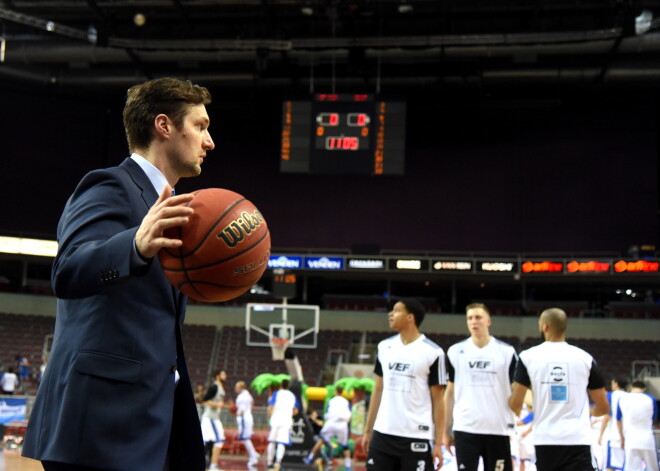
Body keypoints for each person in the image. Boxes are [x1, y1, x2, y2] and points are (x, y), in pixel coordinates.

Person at [22, 77, 215, 471]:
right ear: (164, 126)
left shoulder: (171, 207)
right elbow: (69, 271)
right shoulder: (109, 185)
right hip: (99, 426)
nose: (209, 141)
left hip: (149, 421)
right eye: (200, 126)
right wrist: (135, 245)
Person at [509, 308, 609, 471]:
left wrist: (536, 403)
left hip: (545, 441)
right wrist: (586, 412)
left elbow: (515, 404)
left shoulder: (528, 357)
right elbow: (603, 407)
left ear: (545, 327)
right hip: (577, 441)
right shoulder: (584, 358)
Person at [362, 298, 446, 471]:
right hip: (383, 434)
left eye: (396, 310)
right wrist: (368, 430)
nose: (391, 314)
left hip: (416, 436)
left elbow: (439, 400)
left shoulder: (433, 352)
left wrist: (438, 443)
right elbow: (378, 390)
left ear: (410, 317)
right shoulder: (384, 347)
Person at [443, 303, 518, 471]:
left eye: (478, 317)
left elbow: (518, 390)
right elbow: (449, 393)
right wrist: (444, 430)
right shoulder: (456, 351)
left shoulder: (506, 352)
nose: (473, 321)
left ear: (488, 321)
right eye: (470, 318)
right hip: (465, 428)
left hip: (498, 429)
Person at [304, 385, 353, 470]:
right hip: (342, 424)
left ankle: (310, 458)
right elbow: (350, 415)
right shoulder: (346, 402)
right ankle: (348, 466)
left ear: (335, 392)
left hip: (331, 423)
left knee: (321, 440)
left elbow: (326, 415)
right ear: (342, 392)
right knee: (345, 446)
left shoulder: (331, 401)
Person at [616, 381, 659, 471]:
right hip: (647, 439)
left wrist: (622, 439)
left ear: (631, 387)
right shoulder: (651, 398)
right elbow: (654, 418)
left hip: (630, 439)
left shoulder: (623, 399)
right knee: (653, 468)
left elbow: (618, 421)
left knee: (631, 469)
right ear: (644, 389)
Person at [266, 379, 300, 470]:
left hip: (275, 419)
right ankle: (278, 462)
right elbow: (296, 410)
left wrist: (269, 414)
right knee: (281, 443)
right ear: (288, 386)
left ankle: (269, 463)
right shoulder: (292, 396)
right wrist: (289, 413)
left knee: (272, 441)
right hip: (286, 421)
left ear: (281, 385)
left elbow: (271, 406)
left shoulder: (276, 393)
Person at [598, 377, 629, 471]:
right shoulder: (630, 396)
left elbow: (607, 417)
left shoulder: (610, 396)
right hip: (628, 436)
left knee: (610, 467)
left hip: (614, 436)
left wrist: (600, 435)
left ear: (616, 383)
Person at [201, 370, 227, 471]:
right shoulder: (214, 387)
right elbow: (204, 400)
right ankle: (212, 466)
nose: (225, 376)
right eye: (223, 374)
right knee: (217, 441)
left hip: (215, 418)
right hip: (209, 418)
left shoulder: (220, 387)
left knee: (212, 442)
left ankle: (210, 465)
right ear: (217, 376)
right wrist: (217, 405)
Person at [235, 380, 260, 467]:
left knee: (245, 438)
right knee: (245, 438)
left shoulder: (242, 396)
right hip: (248, 417)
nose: (235, 388)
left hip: (244, 419)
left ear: (241, 387)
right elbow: (252, 403)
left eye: (237, 387)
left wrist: (236, 413)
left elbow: (241, 410)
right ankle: (254, 453)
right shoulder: (247, 394)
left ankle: (253, 456)